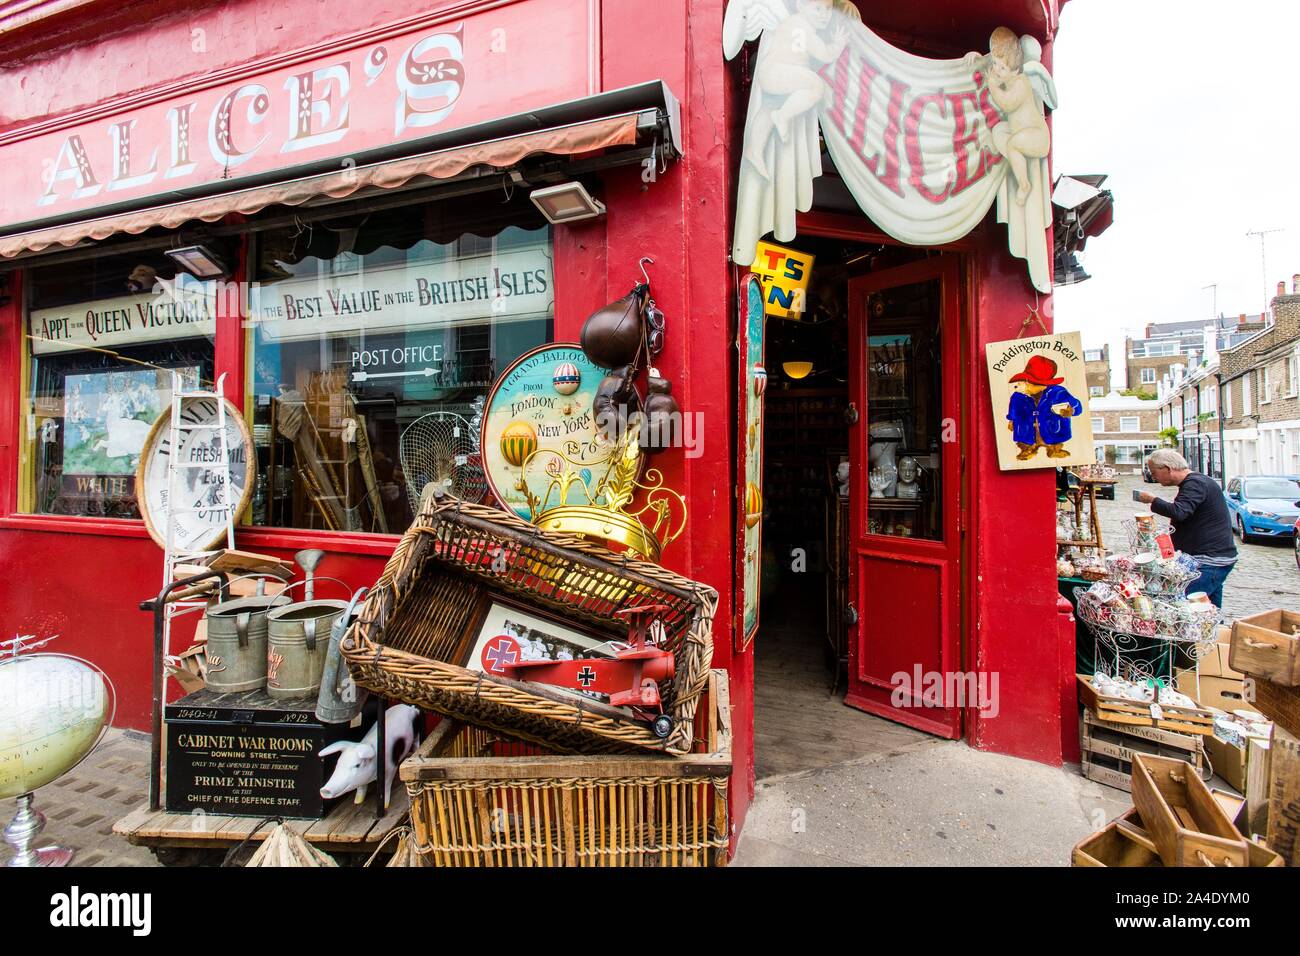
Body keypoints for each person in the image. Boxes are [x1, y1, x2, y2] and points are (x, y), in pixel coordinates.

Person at [1136, 449, 1237, 607]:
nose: (1152, 476)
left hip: (1209, 560)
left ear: (1168, 468)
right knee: (1209, 610)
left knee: (1182, 606)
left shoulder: (1195, 483)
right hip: (1212, 558)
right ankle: (1219, 631)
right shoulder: (1195, 482)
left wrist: (1152, 500)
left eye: (1154, 472)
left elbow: (1180, 512)